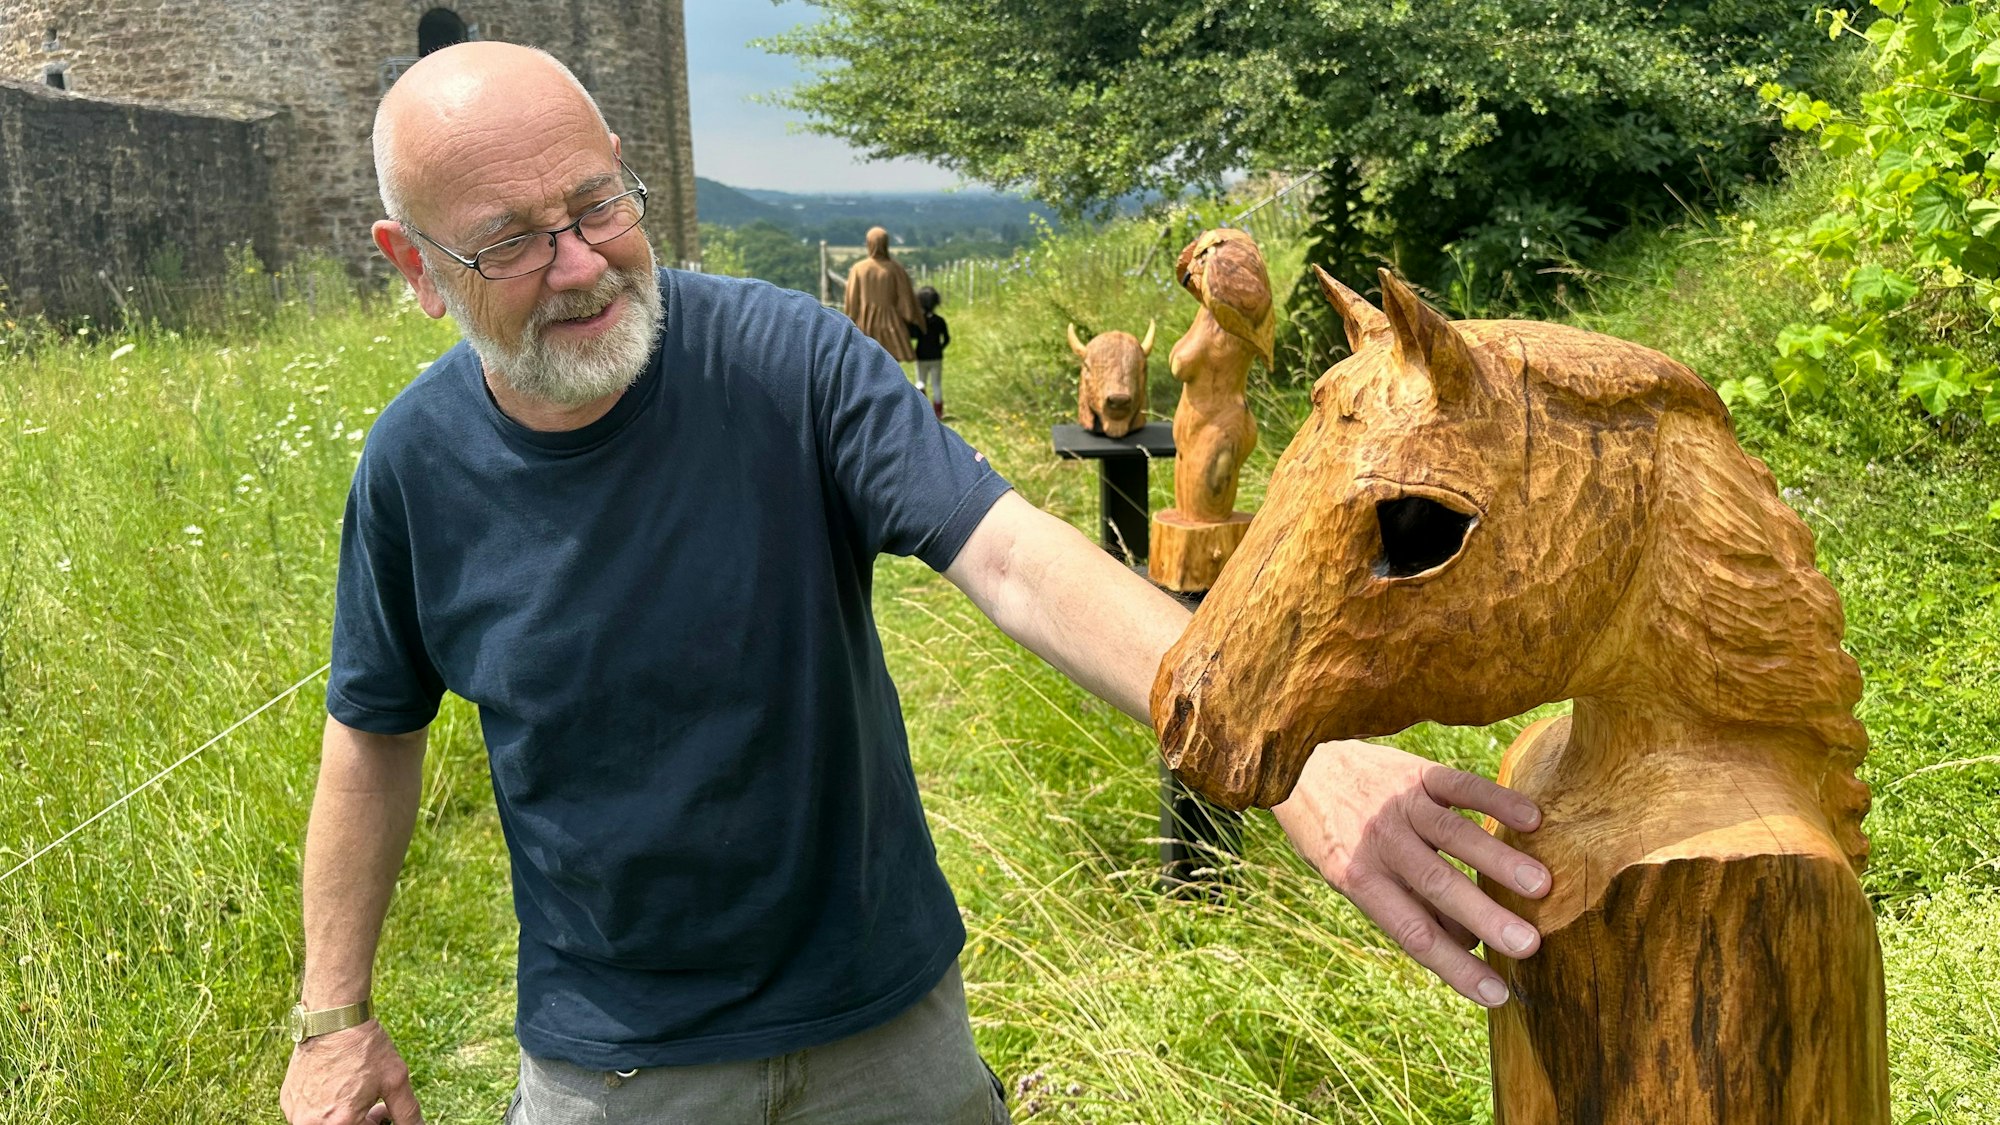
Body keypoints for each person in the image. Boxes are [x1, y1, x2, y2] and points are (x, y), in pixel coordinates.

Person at [279, 42, 1552, 1125]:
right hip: (612, 1057)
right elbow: (370, 734)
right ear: (412, 264)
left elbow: (1007, 553)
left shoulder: (783, 359)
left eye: (599, 203)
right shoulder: (414, 468)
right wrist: (333, 1016)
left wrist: (1280, 748)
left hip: (886, 1027)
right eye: (511, 241)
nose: (579, 264)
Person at [842, 225, 923, 366]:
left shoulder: (859, 268)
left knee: (868, 364)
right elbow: (906, 300)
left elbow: (852, 301)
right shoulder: (896, 268)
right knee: (892, 365)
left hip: (865, 323)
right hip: (892, 324)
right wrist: (910, 318)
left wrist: (852, 319)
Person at [912, 284, 950, 419]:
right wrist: (940, 348)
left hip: (921, 355)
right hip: (936, 357)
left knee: (920, 380)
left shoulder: (918, 321)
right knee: (936, 384)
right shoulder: (940, 321)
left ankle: (922, 409)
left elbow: (912, 335)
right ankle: (938, 412)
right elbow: (946, 339)